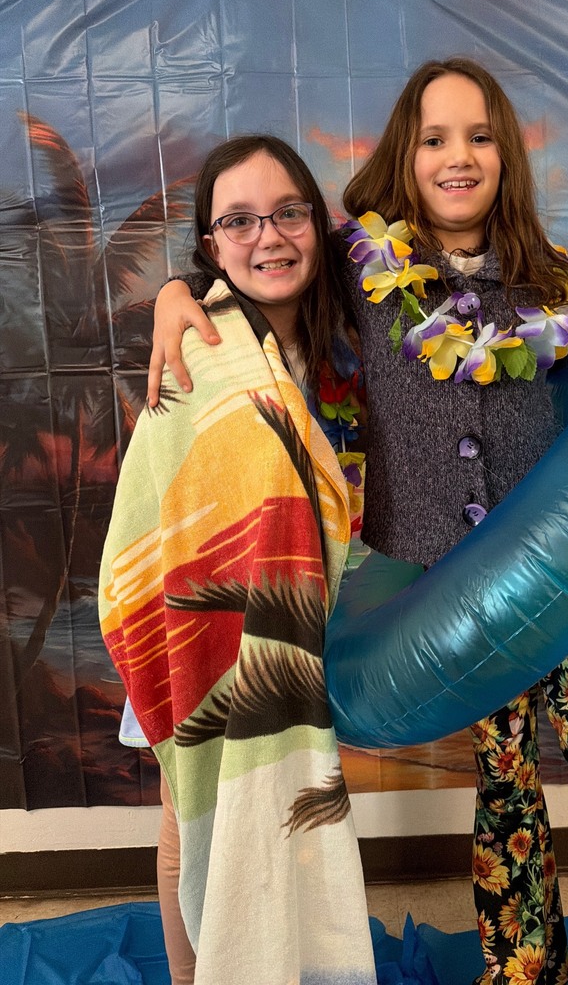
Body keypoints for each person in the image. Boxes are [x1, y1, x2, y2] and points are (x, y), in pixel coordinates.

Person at [147, 59, 568, 985]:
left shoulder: (550, 283)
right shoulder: (365, 275)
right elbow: (268, 272)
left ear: (505, 156)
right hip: (456, 583)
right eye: (435, 138)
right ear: (408, 153)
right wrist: (170, 295)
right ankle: (520, 965)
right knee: (506, 780)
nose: (457, 157)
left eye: (478, 137)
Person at [100, 134, 374, 985]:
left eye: (288, 212)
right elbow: (166, 495)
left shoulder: (338, 341)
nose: (269, 237)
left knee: (251, 821)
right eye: (240, 221)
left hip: (279, 627)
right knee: (191, 819)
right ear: (212, 245)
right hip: (191, 616)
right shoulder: (202, 348)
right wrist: (174, 294)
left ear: (316, 226)